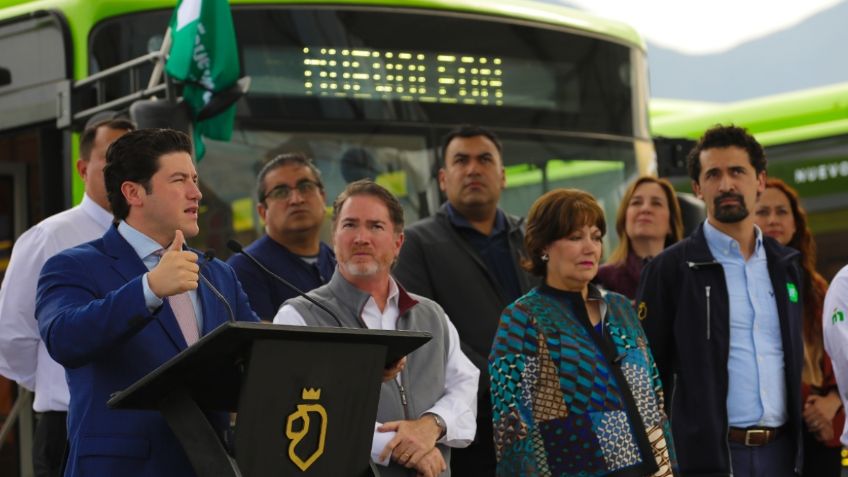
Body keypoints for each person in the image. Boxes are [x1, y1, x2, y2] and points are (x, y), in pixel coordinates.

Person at [35, 128, 260, 477]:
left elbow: (259, 353)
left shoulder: (218, 274)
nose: (196, 192)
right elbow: (64, 338)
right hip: (124, 467)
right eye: (179, 180)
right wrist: (149, 289)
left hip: (211, 465)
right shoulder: (73, 265)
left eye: (195, 179)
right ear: (134, 192)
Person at [274, 180, 479, 477]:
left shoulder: (432, 315)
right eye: (350, 225)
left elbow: (465, 386)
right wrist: (397, 444)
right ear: (334, 237)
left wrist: (431, 425)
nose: (361, 237)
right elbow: (299, 408)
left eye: (375, 226)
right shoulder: (299, 316)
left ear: (398, 242)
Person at [636, 125, 804, 476]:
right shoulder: (671, 269)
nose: (726, 184)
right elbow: (647, 380)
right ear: (697, 188)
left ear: (760, 181)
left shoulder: (785, 265)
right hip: (707, 459)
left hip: (783, 455)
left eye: (737, 172)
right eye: (713, 174)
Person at [490, 188, 676, 476]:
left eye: (596, 237)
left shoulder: (620, 308)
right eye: (575, 237)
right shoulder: (524, 317)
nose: (590, 247)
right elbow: (512, 428)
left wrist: (669, 468)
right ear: (543, 247)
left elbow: (655, 401)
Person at [394, 125, 535, 475]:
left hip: (542, 416)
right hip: (470, 422)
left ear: (502, 176)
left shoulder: (531, 238)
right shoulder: (417, 243)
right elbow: (424, 329)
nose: (473, 169)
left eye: (485, 159)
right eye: (461, 160)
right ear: (443, 178)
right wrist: (501, 378)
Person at [0, 114, 134, 477]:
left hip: (143, 427)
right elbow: (12, 335)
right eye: (112, 159)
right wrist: (53, 380)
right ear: (82, 167)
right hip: (70, 423)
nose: (123, 171)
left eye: (133, 161)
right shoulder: (50, 237)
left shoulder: (154, 240)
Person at [754, 177, 843, 476]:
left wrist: (834, 401)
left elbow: (839, 354)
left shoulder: (819, 288)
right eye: (763, 212)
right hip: (765, 428)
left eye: (782, 212)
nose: (773, 220)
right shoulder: (740, 283)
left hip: (818, 426)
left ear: (796, 223)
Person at [227, 153, 335, 320]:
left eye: (305, 187)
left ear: (323, 197)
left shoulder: (337, 262)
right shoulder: (245, 268)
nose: (296, 199)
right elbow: (264, 342)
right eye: (281, 192)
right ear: (263, 212)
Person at [596, 176, 684, 299]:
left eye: (656, 203)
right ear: (624, 218)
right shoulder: (600, 279)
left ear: (671, 223)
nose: (645, 209)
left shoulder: (689, 277)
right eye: (636, 202)